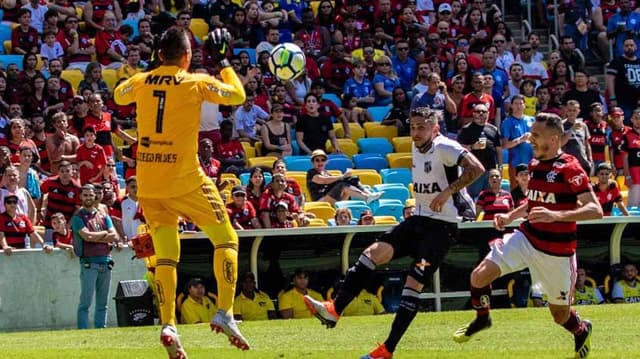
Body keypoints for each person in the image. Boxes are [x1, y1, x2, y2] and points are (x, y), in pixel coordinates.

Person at [304, 107, 484, 359]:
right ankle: (335, 308)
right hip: (419, 219)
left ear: (434, 128)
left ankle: (387, 349)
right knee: (372, 254)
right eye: (412, 127)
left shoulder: (445, 147)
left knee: (412, 285)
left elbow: (476, 169)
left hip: (441, 228)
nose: (416, 132)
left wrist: (446, 193)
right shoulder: (416, 147)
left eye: (422, 127)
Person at [114, 27, 250, 356]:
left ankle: (169, 324)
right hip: (185, 179)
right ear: (187, 56)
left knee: (166, 257)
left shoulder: (142, 81)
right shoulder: (195, 81)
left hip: (148, 182)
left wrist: (150, 69)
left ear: (160, 55)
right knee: (226, 239)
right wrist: (223, 62)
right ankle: (225, 312)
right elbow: (237, 96)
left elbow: (119, 95)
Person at [452, 112, 603, 359]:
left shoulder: (570, 167)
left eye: (536, 135)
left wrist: (556, 216)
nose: (530, 139)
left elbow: (595, 209)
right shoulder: (534, 164)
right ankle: (482, 319)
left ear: (554, 139)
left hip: (557, 252)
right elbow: (533, 203)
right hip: (527, 238)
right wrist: (510, 217)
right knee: (479, 276)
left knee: (559, 315)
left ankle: (581, 329)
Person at [71, 184, 120, 329]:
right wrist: (104, 235)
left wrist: (96, 237)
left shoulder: (103, 215)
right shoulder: (77, 218)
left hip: (106, 261)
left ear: (95, 196)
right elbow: (87, 236)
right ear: (81, 197)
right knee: (85, 302)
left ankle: (101, 329)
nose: (88, 198)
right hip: (88, 263)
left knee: (103, 303)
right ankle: (83, 330)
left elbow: (114, 235)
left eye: (90, 195)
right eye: (85, 195)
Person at [622, 108, 640, 207]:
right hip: (634, 175)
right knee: (634, 205)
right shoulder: (627, 135)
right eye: (636, 118)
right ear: (632, 120)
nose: (638, 120)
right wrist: (627, 176)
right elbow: (624, 158)